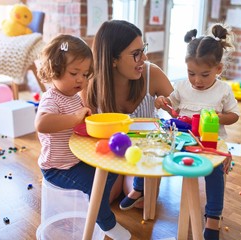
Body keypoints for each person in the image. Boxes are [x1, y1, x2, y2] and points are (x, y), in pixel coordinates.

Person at [35, 34, 131, 239]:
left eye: (85, 73)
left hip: (75, 161)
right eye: (74, 72)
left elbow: (80, 124)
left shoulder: (74, 97)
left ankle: (97, 207)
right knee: (93, 184)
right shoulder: (51, 99)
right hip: (56, 168)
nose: (81, 79)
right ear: (54, 70)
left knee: (109, 172)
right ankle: (106, 223)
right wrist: (74, 118)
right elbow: (41, 124)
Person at [155, 23, 240, 240]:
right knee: (155, 153)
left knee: (214, 174)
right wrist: (162, 102)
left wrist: (214, 118)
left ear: (218, 69)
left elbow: (234, 116)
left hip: (211, 145)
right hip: (184, 140)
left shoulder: (223, 90)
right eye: (191, 73)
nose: (197, 80)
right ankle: (139, 189)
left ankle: (213, 215)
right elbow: (172, 108)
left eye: (204, 74)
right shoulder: (183, 87)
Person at [82, 19, 174, 210]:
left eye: (143, 49)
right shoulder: (91, 85)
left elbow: (181, 110)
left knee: (143, 200)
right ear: (113, 59)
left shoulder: (152, 74)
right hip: (111, 155)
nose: (144, 57)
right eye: (136, 54)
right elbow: (85, 131)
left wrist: (169, 105)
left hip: (144, 155)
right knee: (103, 200)